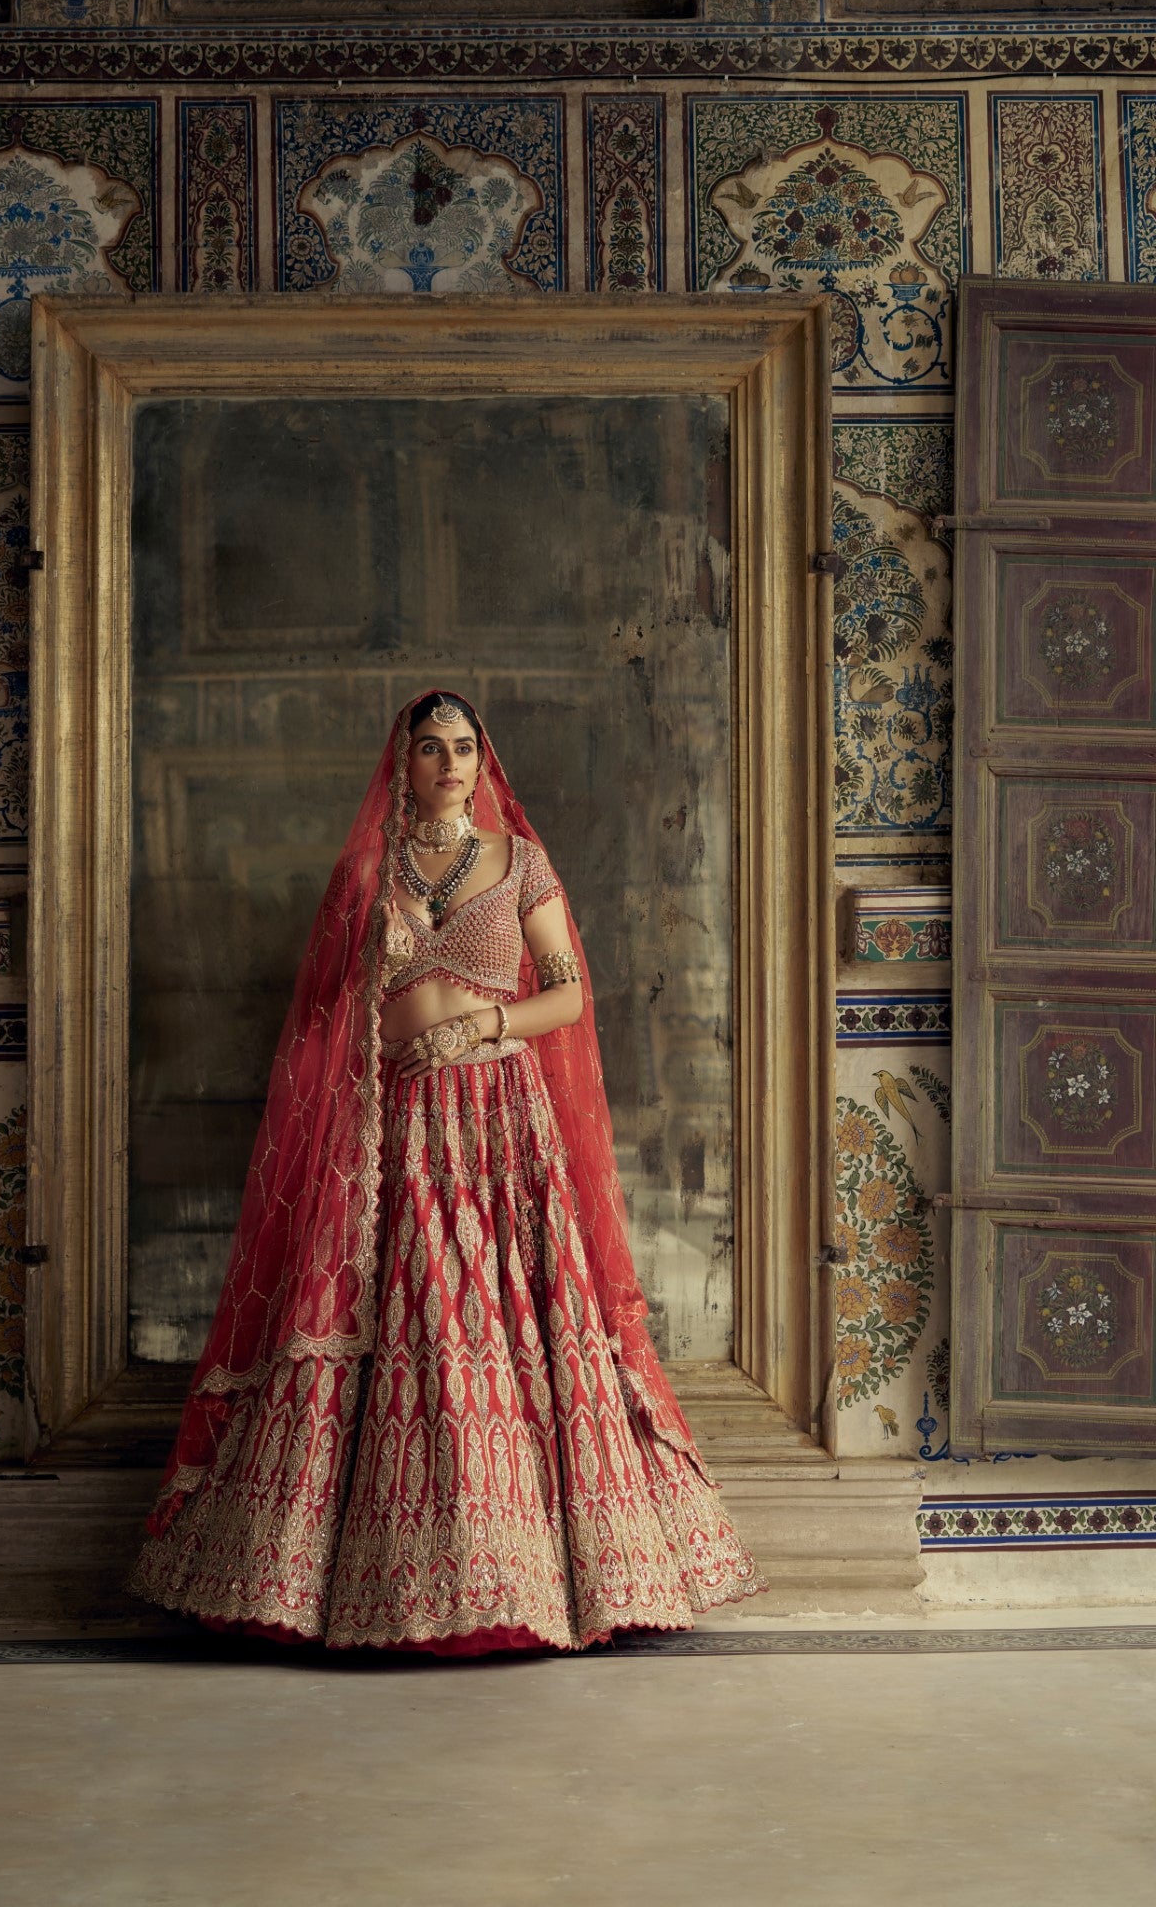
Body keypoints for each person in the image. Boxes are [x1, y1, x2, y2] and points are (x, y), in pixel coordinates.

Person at [132, 690, 763, 1651]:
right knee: (410, 1321)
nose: (451, 763)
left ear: (482, 760)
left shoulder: (523, 866)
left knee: (498, 1322)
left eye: (465, 748)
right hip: (393, 1127)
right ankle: (366, 1581)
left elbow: (567, 997)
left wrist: (481, 1024)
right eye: (432, 749)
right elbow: (318, 1024)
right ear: (405, 763)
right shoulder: (365, 876)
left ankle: (523, 1577)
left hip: (499, 1121)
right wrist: (352, 1100)